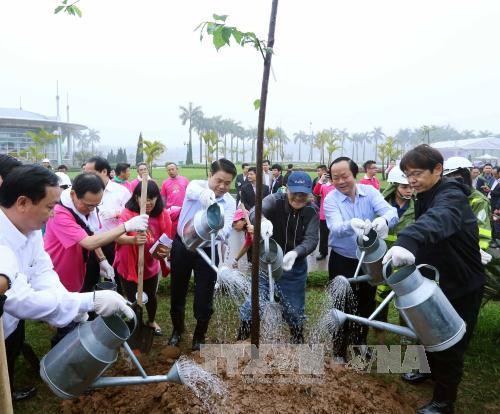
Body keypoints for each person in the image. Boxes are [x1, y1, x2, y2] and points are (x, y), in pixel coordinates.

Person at [0, 165, 134, 402]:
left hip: (9, 326)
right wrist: (87, 301)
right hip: (7, 315)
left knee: (8, 359)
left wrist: (71, 305)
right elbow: (18, 299)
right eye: (49, 207)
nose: (52, 214)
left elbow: (43, 272)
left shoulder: (29, 231)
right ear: (22, 203)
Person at [382, 145, 485, 414]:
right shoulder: (423, 194)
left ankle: (443, 402)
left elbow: (441, 218)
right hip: (437, 279)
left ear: (437, 169)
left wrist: (409, 241)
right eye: (407, 174)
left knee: (450, 342)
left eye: (416, 173)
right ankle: (425, 371)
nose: (411, 180)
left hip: (461, 282)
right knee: (427, 330)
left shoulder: (451, 195)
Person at [323, 157, 398, 359]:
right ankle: (338, 350)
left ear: (354, 174)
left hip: (369, 260)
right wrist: (350, 224)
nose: (340, 181)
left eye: (344, 176)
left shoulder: (371, 192)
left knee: (366, 302)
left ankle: (359, 344)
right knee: (341, 303)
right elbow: (335, 227)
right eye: (335, 177)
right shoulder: (331, 198)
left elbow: (392, 213)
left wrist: (384, 220)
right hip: (343, 258)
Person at [238, 171, 319, 343]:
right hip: (267, 261)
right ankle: (242, 338)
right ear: (286, 189)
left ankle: (297, 339)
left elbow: (312, 239)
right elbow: (255, 211)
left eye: (303, 194)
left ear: (309, 193)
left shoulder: (312, 210)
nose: (298, 197)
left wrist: (297, 252)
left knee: (294, 308)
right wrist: (262, 220)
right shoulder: (275, 200)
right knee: (253, 303)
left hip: (293, 266)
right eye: (294, 192)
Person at [168, 159, 237, 350]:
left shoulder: (229, 202)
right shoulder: (196, 186)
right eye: (219, 181)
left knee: (204, 294)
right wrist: (206, 196)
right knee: (177, 290)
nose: (222, 186)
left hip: (207, 250)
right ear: (210, 176)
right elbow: (192, 190)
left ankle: (199, 336)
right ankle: (177, 330)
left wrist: (217, 229)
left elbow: (227, 229)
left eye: (227, 183)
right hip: (182, 246)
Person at [44, 173, 148, 294]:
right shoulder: (59, 213)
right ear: (73, 194)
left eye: (96, 205)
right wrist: (126, 226)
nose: (92, 209)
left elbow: (92, 232)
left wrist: (102, 260)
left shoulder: (88, 209)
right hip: (59, 269)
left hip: (78, 267)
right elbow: (88, 242)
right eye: (89, 205)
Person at [115, 180, 173, 336]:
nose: (148, 202)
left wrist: (164, 252)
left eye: (152, 198)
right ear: (136, 198)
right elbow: (118, 237)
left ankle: (151, 321)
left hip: (150, 264)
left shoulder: (162, 215)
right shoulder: (127, 214)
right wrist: (133, 240)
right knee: (134, 298)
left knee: (151, 296)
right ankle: (136, 325)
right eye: (144, 197)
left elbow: (166, 239)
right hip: (129, 265)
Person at [373, 166, 414, 344]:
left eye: (411, 186)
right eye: (404, 187)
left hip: (406, 262)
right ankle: (380, 335)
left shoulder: (419, 206)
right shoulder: (381, 206)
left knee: (407, 299)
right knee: (380, 298)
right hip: (384, 261)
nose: (409, 190)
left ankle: (406, 336)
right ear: (394, 185)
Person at [84, 156, 131, 292]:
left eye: (90, 173)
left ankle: (118, 307)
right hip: (91, 242)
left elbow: (131, 215)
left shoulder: (121, 191)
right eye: (85, 173)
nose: (86, 176)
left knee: (116, 279)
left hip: (115, 242)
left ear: (104, 172)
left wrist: (116, 213)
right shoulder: (85, 191)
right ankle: (92, 310)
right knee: (90, 279)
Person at [313, 169, 335, 260]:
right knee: (323, 235)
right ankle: (323, 252)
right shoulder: (324, 186)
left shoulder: (339, 187)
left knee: (338, 235)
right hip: (324, 215)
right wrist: (321, 180)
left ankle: (337, 252)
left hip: (337, 215)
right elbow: (316, 192)